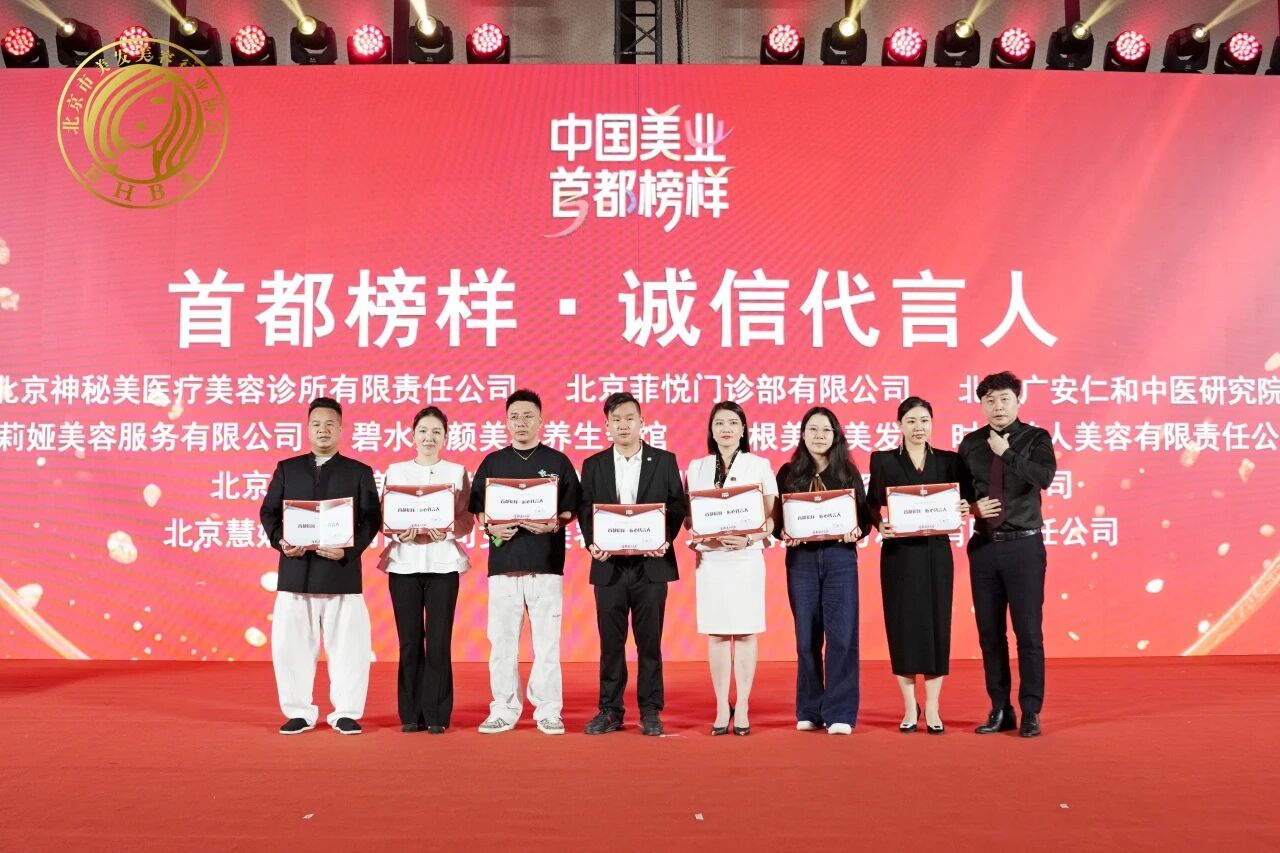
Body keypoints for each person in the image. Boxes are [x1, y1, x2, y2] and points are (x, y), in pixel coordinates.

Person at [259, 397, 381, 735]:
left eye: (330, 424)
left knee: (350, 649)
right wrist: (281, 540)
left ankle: (346, 712)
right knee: (290, 648)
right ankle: (298, 711)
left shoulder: (358, 471)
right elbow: (269, 512)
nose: (323, 430)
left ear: (341, 428)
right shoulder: (288, 468)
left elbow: (371, 519)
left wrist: (347, 551)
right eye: (316, 424)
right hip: (296, 574)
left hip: (341, 574)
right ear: (307, 428)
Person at [469, 389, 581, 735]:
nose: (521, 423)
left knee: (547, 643)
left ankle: (548, 709)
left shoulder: (558, 462)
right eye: (514, 417)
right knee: (502, 643)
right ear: (506, 422)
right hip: (504, 566)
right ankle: (504, 707)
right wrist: (490, 525)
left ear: (541, 421)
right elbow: (479, 510)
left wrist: (553, 524)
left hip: (545, 564)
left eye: (528, 416)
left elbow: (570, 508)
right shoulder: (493, 462)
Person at [578, 393, 686, 737]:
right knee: (611, 644)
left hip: (650, 566)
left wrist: (663, 539)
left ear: (642, 422)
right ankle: (610, 710)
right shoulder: (593, 465)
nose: (623, 425)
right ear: (607, 425)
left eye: (629, 418)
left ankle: (651, 710)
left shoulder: (664, 461)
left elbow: (677, 505)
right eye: (616, 419)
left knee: (649, 643)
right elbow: (585, 509)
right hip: (609, 566)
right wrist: (593, 543)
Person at [958, 371, 1056, 738]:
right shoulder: (971, 444)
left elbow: (1044, 477)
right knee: (990, 634)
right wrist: (971, 507)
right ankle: (1000, 708)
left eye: (1004, 399)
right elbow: (960, 493)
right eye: (990, 400)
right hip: (984, 547)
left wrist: (1008, 453)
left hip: (1023, 547)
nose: (998, 406)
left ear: (1017, 401)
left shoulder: (1036, 438)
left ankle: (1031, 710)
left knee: (1028, 633)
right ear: (981, 404)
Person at [866, 397, 969, 735]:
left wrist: (964, 507)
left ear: (932, 423)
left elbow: (964, 498)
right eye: (910, 420)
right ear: (899, 425)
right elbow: (871, 504)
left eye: (924, 420)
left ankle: (934, 705)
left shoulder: (948, 461)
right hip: (898, 555)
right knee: (903, 627)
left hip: (936, 553)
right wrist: (879, 524)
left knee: (937, 625)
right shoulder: (883, 460)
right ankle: (910, 706)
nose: (918, 427)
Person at [776, 406, 871, 736]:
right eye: (812, 429)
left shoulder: (847, 473)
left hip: (839, 558)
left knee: (842, 636)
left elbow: (864, 518)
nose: (819, 436)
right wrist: (783, 533)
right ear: (803, 434)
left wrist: (856, 530)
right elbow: (778, 520)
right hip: (801, 561)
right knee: (806, 637)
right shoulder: (789, 473)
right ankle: (809, 709)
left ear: (836, 436)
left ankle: (840, 711)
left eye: (826, 430)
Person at [685, 401, 777, 736]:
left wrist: (749, 537)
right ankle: (722, 705)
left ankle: (745, 705)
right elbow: (689, 516)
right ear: (711, 430)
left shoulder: (759, 465)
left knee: (747, 631)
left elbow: (771, 518)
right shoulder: (696, 467)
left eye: (733, 423)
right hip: (712, 560)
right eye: (719, 423)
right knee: (719, 632)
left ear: (743, 429)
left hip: (746, 557)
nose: (726, 428)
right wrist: (701, 536)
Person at [381, 406, 473, 734]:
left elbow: (466, 519)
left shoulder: (457, 472)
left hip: (443, 564)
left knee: (438, 641)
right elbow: (385, 516)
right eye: (423, 431)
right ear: (412, 435)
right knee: (409, 642)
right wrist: (397, 532)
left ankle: (436, 715)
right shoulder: (396, 471)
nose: (429, 438)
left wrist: (446, 531)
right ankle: (410, 713)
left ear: (446, 437)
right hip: (403, 564)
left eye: (436, 432)